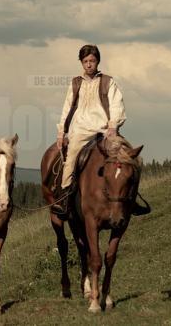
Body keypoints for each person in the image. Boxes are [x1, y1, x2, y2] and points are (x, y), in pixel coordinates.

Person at [52, 44, 126, 215]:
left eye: (92, 60)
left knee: (123, 154)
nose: (89, 64)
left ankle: (130, 196)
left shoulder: (108, 81)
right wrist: (61, 132)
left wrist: (113, 126)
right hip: (81, 129)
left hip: (104, 128)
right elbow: (67, 107)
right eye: (85, 61)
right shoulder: (76, 83)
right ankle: (64, 197)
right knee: (71, 156)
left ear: (98, 61)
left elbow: (116, 104)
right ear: (81, 63)